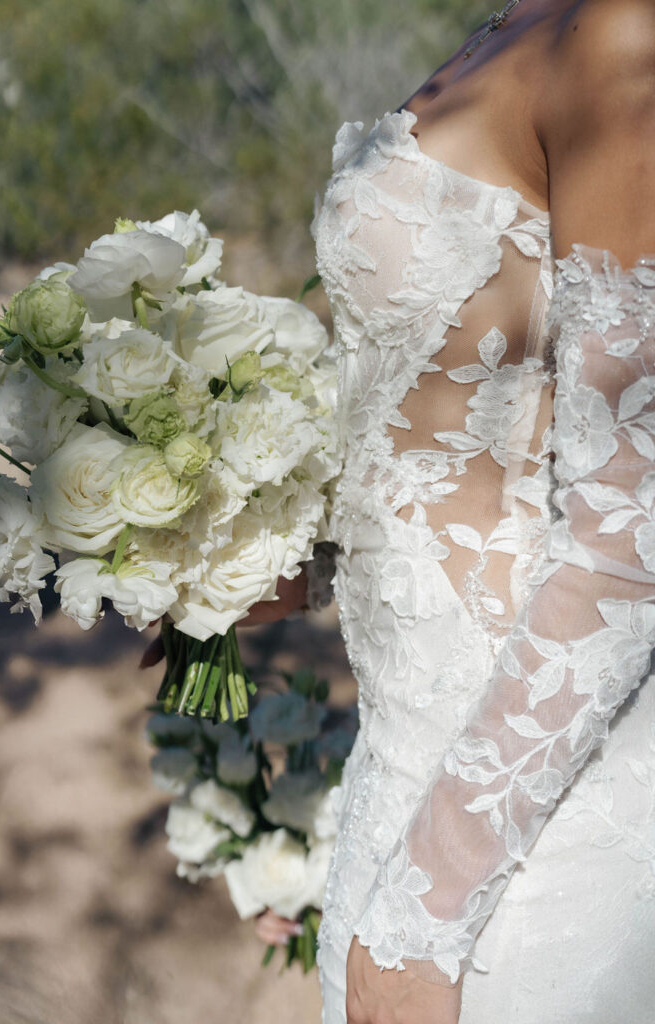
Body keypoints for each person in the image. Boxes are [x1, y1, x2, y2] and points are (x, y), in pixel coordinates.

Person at [147, 1, 655, 1020]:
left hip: (520, 825)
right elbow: (440, 424)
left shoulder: (617, 34)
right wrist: (274, 559)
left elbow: (624, 545)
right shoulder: (508, 23)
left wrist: (430, 910)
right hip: (399, 767)